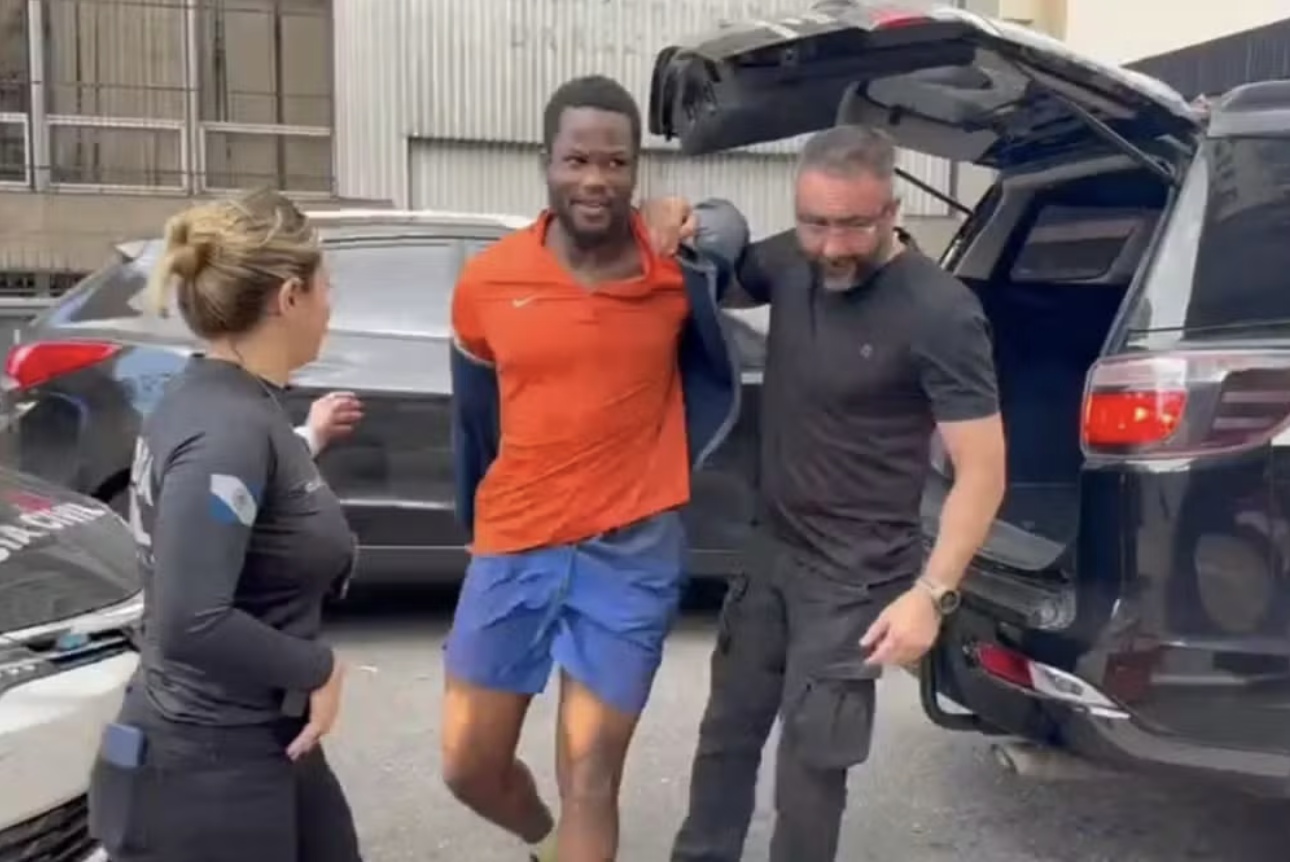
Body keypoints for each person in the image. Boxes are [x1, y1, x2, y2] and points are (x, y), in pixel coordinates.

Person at [641, 125, 1008, 862]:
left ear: (892, 210)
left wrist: (932, 594)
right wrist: (675, 216)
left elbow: (984, 471)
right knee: (725, 740)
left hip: (856, 578)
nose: (834, 246)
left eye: (855, 226)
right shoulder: (793, 258)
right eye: (816, 223)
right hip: (771, 553)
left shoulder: (941, 311)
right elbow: (714, 270)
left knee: (811, 773)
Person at [442, 75, 741, 862]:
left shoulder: (674, 268)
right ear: (545, 161)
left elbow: (735, 231)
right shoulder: (487, 283)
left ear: (637, 168)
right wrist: (477, 523)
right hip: (515, 541)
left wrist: (696, 214)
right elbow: (474, 418)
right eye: (577, 160)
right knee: (469, 764)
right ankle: (545, 844)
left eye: (616, 162)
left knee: (590, 775)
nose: (597, 180)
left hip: (630, 553)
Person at [87, 189, 363, 862]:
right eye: (327, 286)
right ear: (290, 296)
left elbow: (247, 507)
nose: (332, 303)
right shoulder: (226, 428)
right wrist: (319, 667)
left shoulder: (227, 402)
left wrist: (310, 441)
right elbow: (191, 618)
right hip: (207, 774)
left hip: (263, 743)